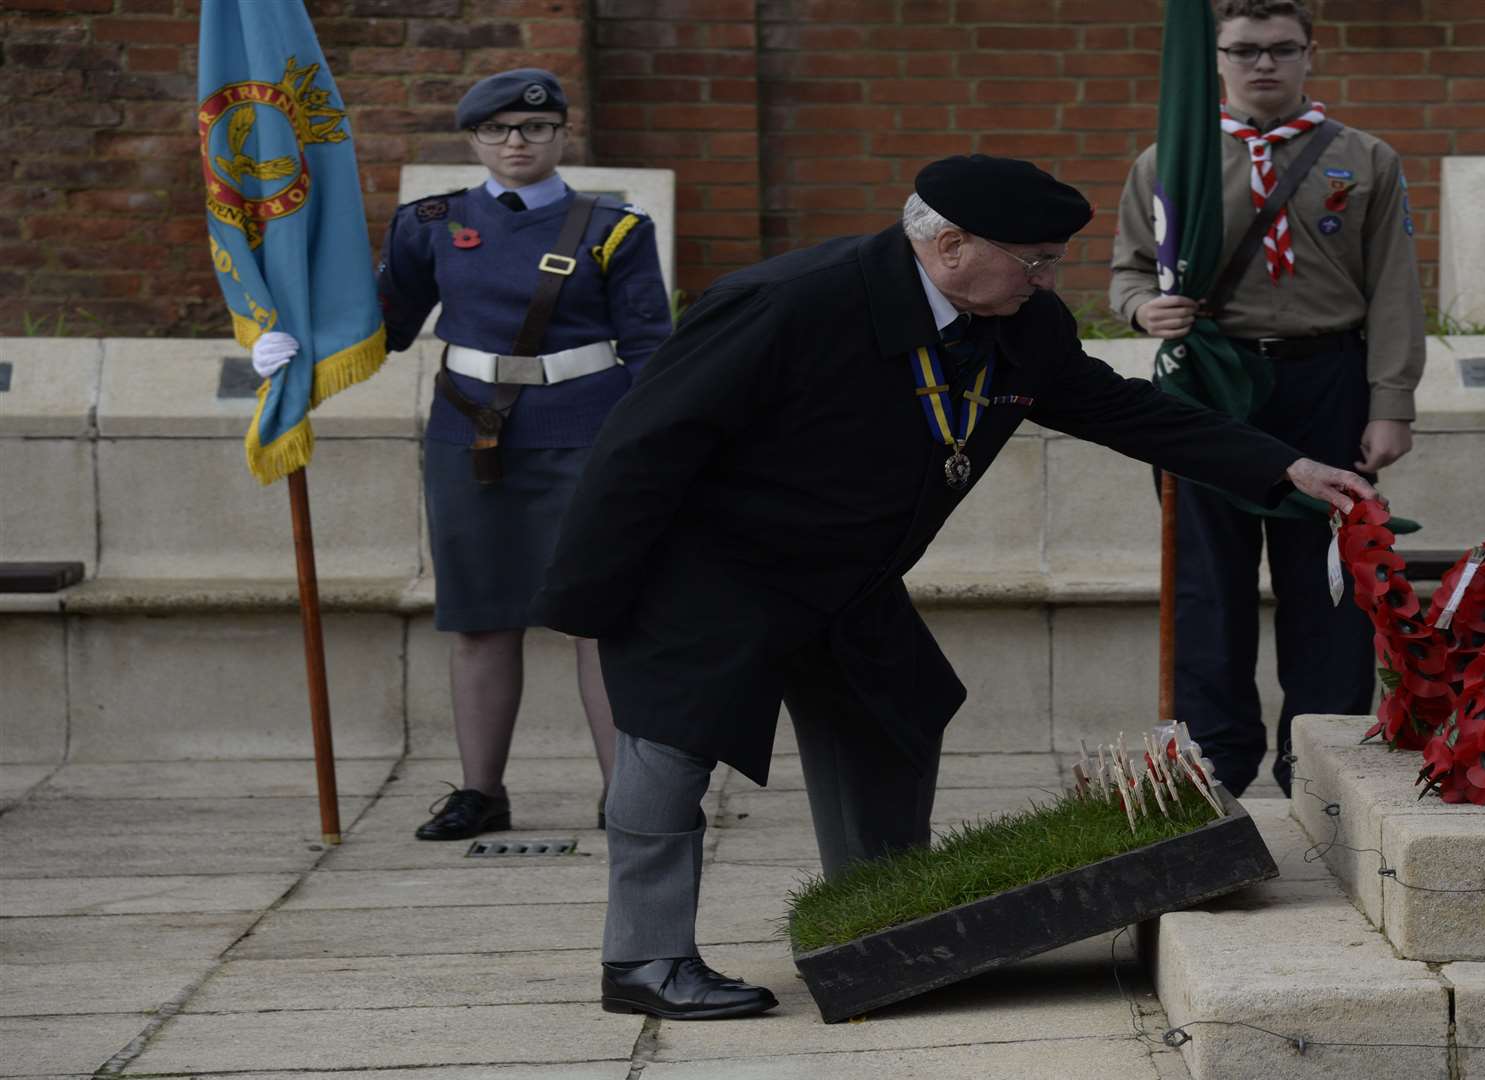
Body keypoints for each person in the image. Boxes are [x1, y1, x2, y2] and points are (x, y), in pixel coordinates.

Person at [529, 154, 1379, 1020]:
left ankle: (885, 926)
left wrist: (1284, 467)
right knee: (669, 753)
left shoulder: (1024, 322)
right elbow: (645, 442)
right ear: (951, 245)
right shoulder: (792, 301)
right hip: (714, 568)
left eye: (1054, 260)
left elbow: (1121, 409)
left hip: (848, 577)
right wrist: (589, 596)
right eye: (1036, 259)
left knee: (897, 714)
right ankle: (643, 959)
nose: (1050, 279)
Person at [256, 68, 673, 840]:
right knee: (479, 616)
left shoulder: (615, 228)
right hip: (470, 433)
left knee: (600, 619)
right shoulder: (431, 224)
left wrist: (649, 450)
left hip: (589, 431)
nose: (518, 142)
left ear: (561, 136)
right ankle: (481, 791)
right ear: (475, 138)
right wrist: (297, 351)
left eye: (536, 129)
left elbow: (653, 351)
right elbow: (383, 323)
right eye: (499, 129)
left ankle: (627, 793)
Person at [1110, 0, 1426, 797]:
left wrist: (1391, 402)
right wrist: (1145, 309)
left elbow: (1395, 287)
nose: (1263, 66)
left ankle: (1320, 754)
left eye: (1282, 50)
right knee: (1207, 580)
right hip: (1211, 385)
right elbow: (1129, 271)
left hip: (1325, 381)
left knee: (1328, 580)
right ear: (1217, 59)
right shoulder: (1170, 161)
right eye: (1245, 51)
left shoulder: (1364, 159)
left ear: (1310, 54)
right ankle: (1214, 755)